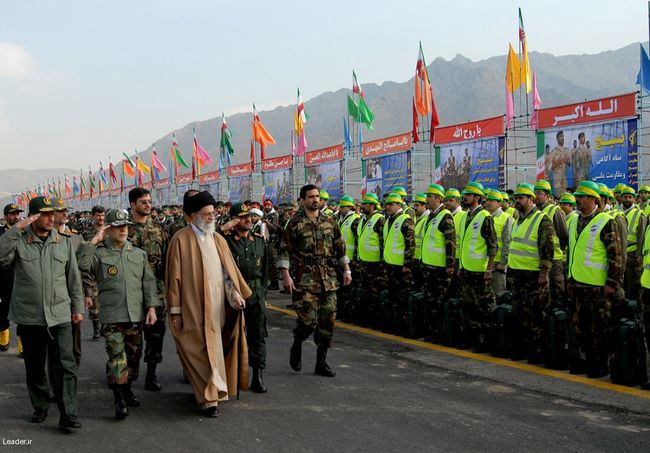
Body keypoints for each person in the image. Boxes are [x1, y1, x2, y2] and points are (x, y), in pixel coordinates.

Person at [0, 196, 84, 431]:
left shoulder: (63, 242)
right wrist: (17, 228)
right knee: (35, 366)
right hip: (30, 316)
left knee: (65, 365)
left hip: (60, 315)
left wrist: (77, 308)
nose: (50, 218)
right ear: (33, 216)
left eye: (52, 214)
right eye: (44, 214)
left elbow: (73, 280)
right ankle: (40, 405)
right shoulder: (19, 241)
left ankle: (68, 412)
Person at [165, 191, 250, 417]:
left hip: (218, 307)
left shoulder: (218, 239)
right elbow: (174, 279)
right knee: (199, 350)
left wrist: (235, 295)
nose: (212, 217)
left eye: (213, 213)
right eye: (207, 214)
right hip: (192, 306)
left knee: (214, 348)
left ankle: (215, 390)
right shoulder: (180, 240)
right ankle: (207, 399)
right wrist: (175, 310)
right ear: (193, 216)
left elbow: (227, 273)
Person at [77, 209, 159, 420]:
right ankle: (119, 400)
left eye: (125, 226)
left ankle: (127, 388)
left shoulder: (138, 254)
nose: (122, 230)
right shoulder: (99, 254)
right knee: (117, 358)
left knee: (133, 359)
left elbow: (148, 283)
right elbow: (81, 264)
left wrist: (151, 308)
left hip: (134, 315)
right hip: (112, 317)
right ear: (109, 229)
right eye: (117, 227)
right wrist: (95, 240)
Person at [279, 185, 351, 377]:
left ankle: (321, 361)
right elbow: (285, 249)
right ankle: (297, 343)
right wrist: (286, 275)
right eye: (311, 197)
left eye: (317, 196)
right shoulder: (295, 223)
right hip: (306, 279)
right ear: (302, 200)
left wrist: (346, 269)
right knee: (308, 321)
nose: (315, 200)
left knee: (328, 320)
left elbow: (339, 246)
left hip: (328, 278)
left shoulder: (329, 220)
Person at [566, 181, 621, 378]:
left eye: (581, 197)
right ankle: (586, 361)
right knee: (580, 326)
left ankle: (600, 364)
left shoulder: (606, 221)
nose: (578, 201)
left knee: (599, 327)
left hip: (597, 286)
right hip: (577, 283)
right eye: (577, 197)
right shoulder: (573, 221)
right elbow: (571, 252)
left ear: (593, 199)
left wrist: (612, 283)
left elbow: (615, 255)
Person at [222, 203, 269, 393]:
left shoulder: (259, 240)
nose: (248, 220)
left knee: (258, 336)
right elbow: (206, 239)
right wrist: (224, 226)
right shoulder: (224, 240)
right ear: (233, 220)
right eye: (242, 217)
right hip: (233, 295)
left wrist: (262, 293)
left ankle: (257, 376)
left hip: (255, 295)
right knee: (229, 336)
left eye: (249, 216)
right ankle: (228, 375)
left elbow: (265, 270)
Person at [127, 187, 169, 391]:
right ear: (133, 204)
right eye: (143, 202)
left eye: (149, 201)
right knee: (132, 338)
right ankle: (129, 377)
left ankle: (151, 375)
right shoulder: (123, 230)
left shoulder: (159, 230)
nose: (148, 205)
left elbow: (168, 260)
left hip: (157, 291)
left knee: (156, 335)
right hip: (132, 292)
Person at [507, 184, 554, 362]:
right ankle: (523, 349)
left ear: (531, 200)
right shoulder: (519, 219)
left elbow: (547, 249)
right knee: (520, 314)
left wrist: (544, 272)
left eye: (520, 198)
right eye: (516, 198)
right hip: (518, 276)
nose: (517, 201)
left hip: (534, 277)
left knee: (537, 315)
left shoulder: (542, 219)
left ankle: (539, 351)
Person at [457, 182, 497, 352]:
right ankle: (472, 339)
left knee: (484, 307)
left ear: (477, 198)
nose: (464, 197)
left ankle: (486, 340)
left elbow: (492, 246)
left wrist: (489, 269)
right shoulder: (466, 216)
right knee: (469, 305)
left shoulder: (485, 217)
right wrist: (460, 266)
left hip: (480, 271)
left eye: (468, 195)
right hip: (467, 269)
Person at [420, 184, 455, 340]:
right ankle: (431, 331)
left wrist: (450, 265)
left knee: (439, 302)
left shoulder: (445, 216)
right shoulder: (431, 215)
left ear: (439, 198)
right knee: (429, 302)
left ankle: (440, 334)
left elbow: (450, 242)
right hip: (429, 266)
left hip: (440, 269)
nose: (427, 199)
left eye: (430, 196)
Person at [381, 192, 415, 335]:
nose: (387, 207)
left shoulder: (406, 220)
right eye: (386, 204)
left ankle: (404, 328)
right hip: (390, 265)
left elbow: (411, 245)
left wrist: (407, 265)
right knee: (393, 297)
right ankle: (395, 325)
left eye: (391, 204)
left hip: (401, 268)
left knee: (402, 299)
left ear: (399, 205)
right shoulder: (389, 220)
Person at [534, 180, 568, 303]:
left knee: (556, 290)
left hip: (554, 260)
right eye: (535, 193)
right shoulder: (535, 212)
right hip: (540, 260)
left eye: (539, 193)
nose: (536, 196)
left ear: (547, 196)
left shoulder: (555, 211)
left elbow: (564, 235)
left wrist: (556, 250)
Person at [356, 193, 386, 328]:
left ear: (372, 205)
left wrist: (381, 261)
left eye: (365, 204)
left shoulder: (379, 219)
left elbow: (382, 242)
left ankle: (375, 320)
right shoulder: (364, 219)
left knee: (375, 293)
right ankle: (366, 317)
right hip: (364, 262)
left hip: (375, 264)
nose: (362, 206)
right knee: (366, 291)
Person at [0, 203, 24, 354]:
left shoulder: (26, 232)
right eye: (12, 214)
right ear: (5, 216)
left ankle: (23, 346)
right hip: (3, 279)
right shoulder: (0, 233)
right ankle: (4, 339)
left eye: (17, 214)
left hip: (22, 278)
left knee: (24, 314)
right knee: (2, 312)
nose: (16, 217)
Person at [484, 190, 513, 301]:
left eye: (492, 201)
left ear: (499, 203)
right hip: (485, 262)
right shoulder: (485, 216)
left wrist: (503, 262)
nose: (489, 203)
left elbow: (508, 242)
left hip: (498, 264)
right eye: (487, 200)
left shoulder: (506, 218)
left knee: (498, 294)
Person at [336, 195, 361, 322]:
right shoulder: (342, 220)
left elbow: (358, 241)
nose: (340, 209)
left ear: (349, 207)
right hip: (343, 259)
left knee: (349, 290)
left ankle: (349, 315)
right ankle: (341, 312)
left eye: (342, 207)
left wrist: (356, 259)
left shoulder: (355, 220)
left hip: (351, 260)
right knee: (342, 289)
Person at [82, 205, 105, 339]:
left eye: (102, 215)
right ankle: (96, 328)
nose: (101, 218)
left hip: (107, 270)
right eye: (98, 215)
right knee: (94, 300)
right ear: (93, 216)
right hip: (92, 270)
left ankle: (105, 326)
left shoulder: (109, 231)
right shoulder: (88, 233)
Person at [620, 186, 647, 301]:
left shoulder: (640, 214)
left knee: (634, 286)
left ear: (634, 199)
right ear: (621, 199)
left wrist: (639, 255)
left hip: (633, 257)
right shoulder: (617, 213)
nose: (628, 199)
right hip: (620, 255)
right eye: (625, 197)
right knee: (623, 285)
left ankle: (635, 314)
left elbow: (641, 238)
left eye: (630, 197)